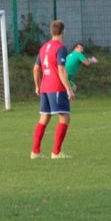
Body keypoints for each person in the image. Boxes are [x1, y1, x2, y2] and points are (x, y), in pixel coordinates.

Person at [31, 20, 76, 160]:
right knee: (65, 117)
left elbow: (36, 68)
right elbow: (61, 69)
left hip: (44, 87)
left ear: (52, 31)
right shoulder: (60, 47)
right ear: (63, 32)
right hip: (56, 87)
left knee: (44, 118)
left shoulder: (44, 47)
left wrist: (37, 85)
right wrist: (69, 89)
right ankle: (56, 153)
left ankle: (35, 152)